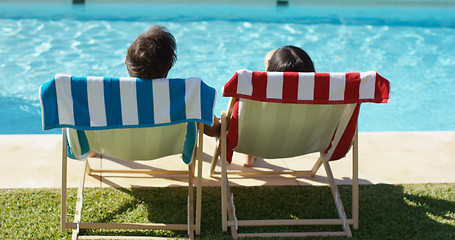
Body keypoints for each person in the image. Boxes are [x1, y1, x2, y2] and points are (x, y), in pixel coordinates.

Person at [125, 25, 221, 137]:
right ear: (167, 70)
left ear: (126, 62)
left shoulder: (110, 95)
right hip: (167, 148)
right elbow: (214, 131)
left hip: (122, 151)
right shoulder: (187, 94)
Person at [243, 45, 315, 167]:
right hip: (304, 144)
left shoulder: (253, 92)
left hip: (258, 143)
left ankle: (249, 155)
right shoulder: (321, 95)